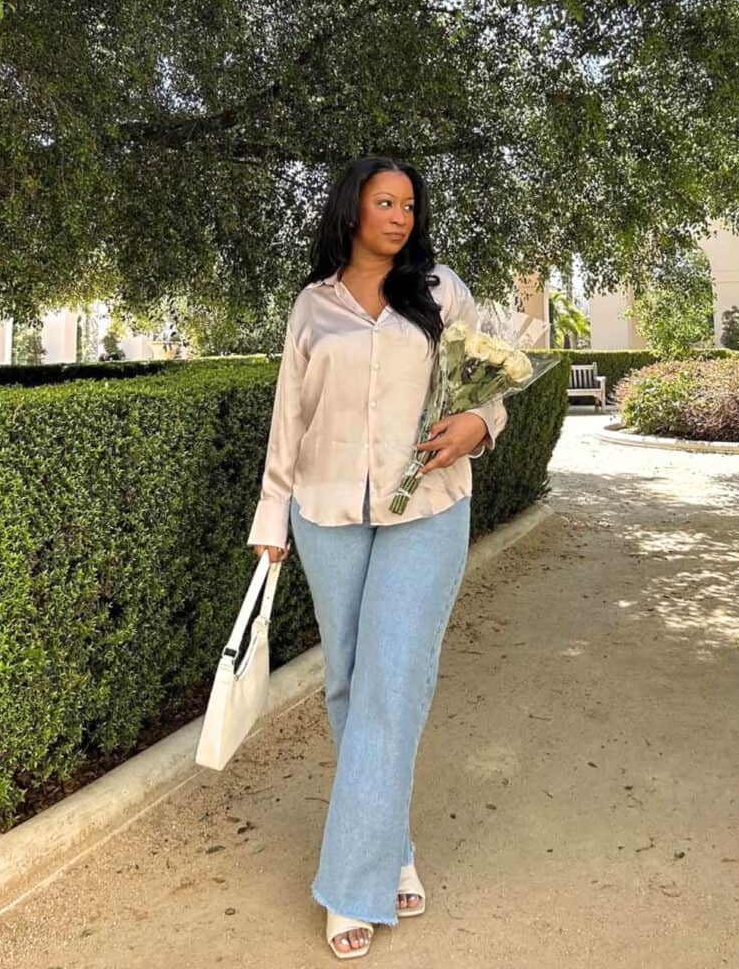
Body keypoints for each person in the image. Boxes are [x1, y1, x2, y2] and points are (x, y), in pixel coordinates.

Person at [247, 155, 507, 959]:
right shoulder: (311, 306)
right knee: (351, 681)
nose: (399, 216)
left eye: (409, 204)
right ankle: (389, 844)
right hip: (325, 510)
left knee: (394, 678)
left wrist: (481, 425)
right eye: (383, 201)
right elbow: (288, 415)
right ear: (351, 210)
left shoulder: (441, 292)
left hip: (426, 509)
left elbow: (487, 381)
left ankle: (349, 883)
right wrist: (271, 517)